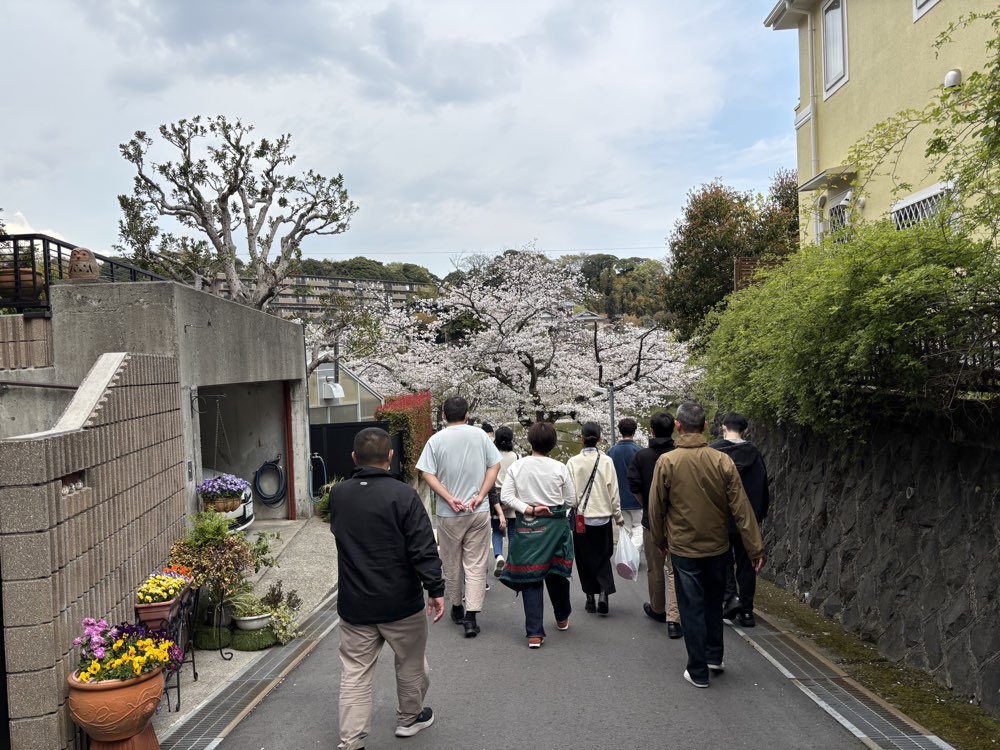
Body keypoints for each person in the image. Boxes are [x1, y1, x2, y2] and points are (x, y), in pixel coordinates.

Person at [328, 427, 445, 749]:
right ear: (390, 457)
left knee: (355, 674)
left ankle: (351, 741)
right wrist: (435, 589)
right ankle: (409, 719)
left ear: (354, 458)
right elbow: (422, 548)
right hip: (401, 603)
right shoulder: (403, 494)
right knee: (409, 662)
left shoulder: (339, 495)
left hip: (355, 604)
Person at [648, 402, 765, 689]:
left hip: (684, 547)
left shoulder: (668, 462)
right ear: (704, 425)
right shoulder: (721, 460)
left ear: (679, 426)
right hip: (718, 546)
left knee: (691, 607)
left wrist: (660, 540)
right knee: (714, 601)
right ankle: (715, 656)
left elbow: (656, 507)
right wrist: (754, 547)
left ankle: (698, 669)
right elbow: (741, 507)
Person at [416, 396, 502, 638]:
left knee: (451, 561)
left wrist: (448, 497)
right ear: (467, 415)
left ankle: (456, 607)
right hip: (478, 509)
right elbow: (494, 466)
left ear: (444, 416)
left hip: (448, 513)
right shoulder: (480, 436)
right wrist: (481, 494)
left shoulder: (435, 440)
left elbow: (425, 473)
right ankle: (471, 618)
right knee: (475, 564)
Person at [499, 421, 576, 648]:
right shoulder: (560, 468)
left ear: (530, 441)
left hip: (528, 526)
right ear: (553, 444)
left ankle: (534, 633)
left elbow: (506, 496)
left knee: (531, 575)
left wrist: (529, 509)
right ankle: (562, 617)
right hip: (555, 526)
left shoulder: (517, 467)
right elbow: (572, 500)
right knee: (556, 571)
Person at [710, 413, 770, 628]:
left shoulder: (713, 451)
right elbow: (762, 486)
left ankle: (730, 598)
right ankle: (746, 611)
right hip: (747, 519)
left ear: (724, 427)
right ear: (745, 429)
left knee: (723, 561)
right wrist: (758, 515)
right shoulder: (753, 452)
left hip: (720, 517)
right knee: (747, 564)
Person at [627, 411, 682, 639]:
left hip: (652, 521)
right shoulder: (680, 455)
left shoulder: (642, 457)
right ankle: (676, 615)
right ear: (674, 429)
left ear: (651, 430)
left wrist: (649, 504)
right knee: (678, 569)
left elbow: (634, 485)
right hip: (680, 521)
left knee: (656, 567)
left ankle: (658, 609)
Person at [566, 422, 624, 616]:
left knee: (583, 558)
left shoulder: (573, 462)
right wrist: (618, 516)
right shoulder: (606, 461)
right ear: (599, 439)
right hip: (603, 516)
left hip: (582, 517)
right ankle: (603, 593)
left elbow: (569, 494)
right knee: (603, 555)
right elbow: (613, 492)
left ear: (581, 438)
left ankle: (589, 597)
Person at [607, 417, 643, 555]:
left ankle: (627, 556)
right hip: (637, 498)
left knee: (625, 529)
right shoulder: (638, 451)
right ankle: (632, 553)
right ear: (634, 431)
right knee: (639, 527)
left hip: (619, 497)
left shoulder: (611, 452)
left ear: (620, 431)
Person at [489, 425, 519, 577]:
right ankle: (511, 562)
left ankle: (498, 556)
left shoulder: (492, 455)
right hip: (511, 496)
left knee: (497, 530)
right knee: (513, 532)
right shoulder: (515, 456)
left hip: (496, 497)